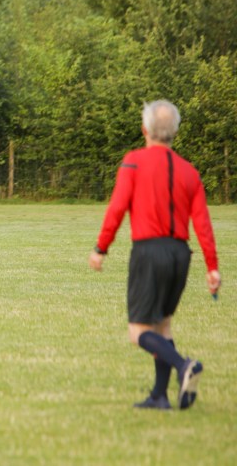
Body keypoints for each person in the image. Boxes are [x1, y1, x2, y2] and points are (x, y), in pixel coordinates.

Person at [89, 100, 221, 410]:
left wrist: (101, 248)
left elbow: (117, 208)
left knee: (138, 332)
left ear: (144, 129)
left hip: (149, 251)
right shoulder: (190, 171)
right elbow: (202, 223)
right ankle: (160, 396)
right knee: (163, 326)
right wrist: (212, 267)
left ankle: (183, 365)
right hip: (180, 254)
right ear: (175, 131)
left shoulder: (134, 162)